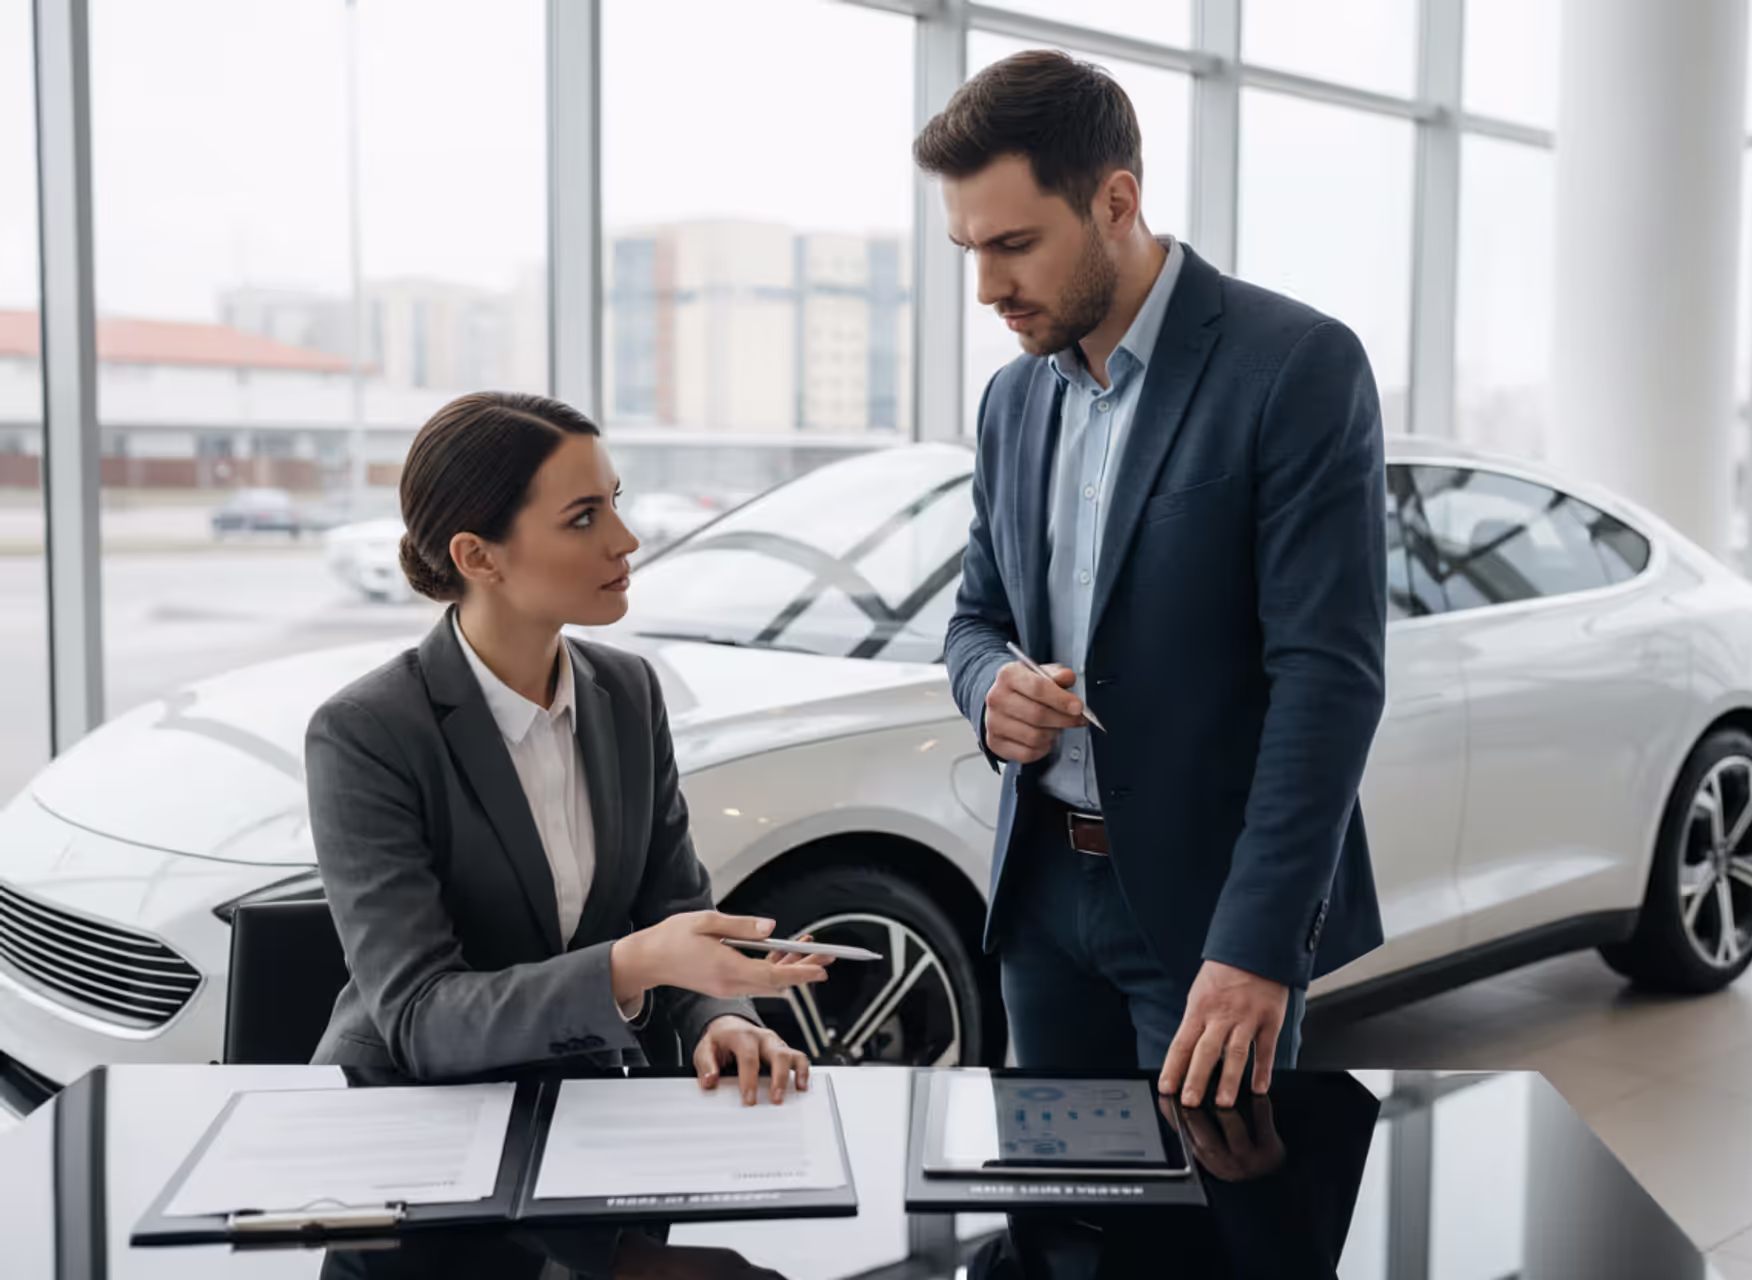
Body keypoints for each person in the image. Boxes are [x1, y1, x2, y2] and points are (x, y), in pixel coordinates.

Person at [920, 51, 1388, 1107]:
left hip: (1206, 918)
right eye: (969, 250)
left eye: (1014, 245)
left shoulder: (1295, 365)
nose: (988, 286)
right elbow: (974, 619)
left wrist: (1260, 943)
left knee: (1219, 1235)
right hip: (1038, 892)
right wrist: (991, 686)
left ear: (1116, 201)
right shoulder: (1010, 400)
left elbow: (1328, 679)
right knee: (1059, 1229)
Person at [305, 391, 824, 1104]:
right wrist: (628, 965)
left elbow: (671, 908)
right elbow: (422, 1018)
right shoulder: (368, 732)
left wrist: (721, 1017)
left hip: (594, 1107)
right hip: (414, 1115)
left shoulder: (628, 693)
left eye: (614, 501)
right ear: (477, 556)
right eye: (584, 517)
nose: (626, 539)